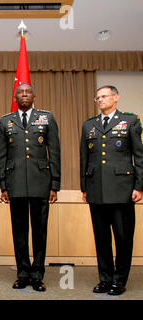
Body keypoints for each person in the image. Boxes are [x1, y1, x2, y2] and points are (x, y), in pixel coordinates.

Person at [0, 83, 61, 292]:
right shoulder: (5, 121)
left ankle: (37, 274)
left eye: (27, 92)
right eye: (20, 92)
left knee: (40, 231)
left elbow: (55, 152)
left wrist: (55, 184)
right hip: (15, 184)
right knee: (19, 231)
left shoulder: (46, 118)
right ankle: (23, 273)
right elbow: (1, 156)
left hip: (41, 182)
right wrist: (3, 185)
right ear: (15, 97)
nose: (24, 95)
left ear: (34, 95)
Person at [80, 85, 143, 295]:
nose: (100, 100)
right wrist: (84, 187)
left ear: (116, 98)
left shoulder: (130, 121)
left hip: (122, 190)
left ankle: (119, 280)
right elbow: (84, 159)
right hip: (96, 190)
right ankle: (105, 279)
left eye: (104, 96)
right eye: (97, 97)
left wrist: (139, 186)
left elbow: (139, 156)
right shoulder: (89, 125)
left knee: (123, 238)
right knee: (102, 238)